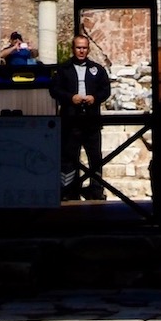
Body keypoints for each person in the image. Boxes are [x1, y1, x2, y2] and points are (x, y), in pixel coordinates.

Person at [52, 32, 112, 200]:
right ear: (73, 49)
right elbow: (54, 90)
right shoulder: (63, 69)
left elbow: (106, 90)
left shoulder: (98, 69)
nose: (81, 51)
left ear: (88, 49)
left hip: (91, 121)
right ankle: (68, 191)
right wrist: (71, 98)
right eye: (78, 47)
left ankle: (96, 189)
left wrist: (95, 98)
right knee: (69, 157)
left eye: (84, 48)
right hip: (70, 120)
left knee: (95, 157)